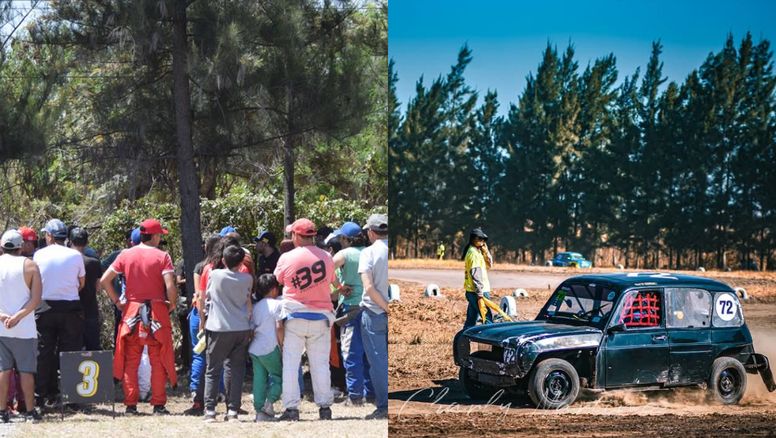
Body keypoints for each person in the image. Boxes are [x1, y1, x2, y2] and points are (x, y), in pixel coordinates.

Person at [100, 218, 178, 415]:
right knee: (158, 359)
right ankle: (159, 404)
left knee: (130, 360)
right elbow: (169, 285)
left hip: (132, 313)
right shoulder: (163, 256)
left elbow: (104, 280)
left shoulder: (126, 255)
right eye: (160, 234)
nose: (160, 238)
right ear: (153, 236)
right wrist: (172, 304)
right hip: (157, 313)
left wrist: (118, 302)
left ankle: (130, 404)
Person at [274, 218, 338, 421]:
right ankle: (325, 408)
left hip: (295, 316)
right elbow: (331, 281)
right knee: (320, 364)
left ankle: (292, 409)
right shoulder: (327, 257)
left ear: (296, 235)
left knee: (291, 364)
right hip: (321, 318)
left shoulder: (286, 257)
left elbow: (279, 280)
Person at [33, 219, 86, 409]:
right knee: (70, 353)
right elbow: (81, 283)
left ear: (49, 236)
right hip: (70, 307)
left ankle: (41, 396)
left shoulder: (38, 254)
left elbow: (35, 281)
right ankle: (72, 398)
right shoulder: (75, 255)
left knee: (44, 353)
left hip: (45, 307)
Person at [202, 245, 253, 422]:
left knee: (213, 369)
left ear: (223, 260)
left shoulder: (215, 275)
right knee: (236, 369)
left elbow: (207, 295)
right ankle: (233, 410)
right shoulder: (247, 278)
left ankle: (209, 410)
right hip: (240, 328)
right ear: (241, 263)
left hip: (218, 328)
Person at [0, 230, 43, 423]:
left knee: (3, 370)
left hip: (1, 327)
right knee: (26, 370)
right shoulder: (31, 266)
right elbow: (36, 300)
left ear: (2, 246)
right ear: (21, 246)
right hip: (24, 328)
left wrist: (3, 317)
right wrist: (18, 316)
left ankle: (2, 411)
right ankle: (30, 411)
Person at [332, 222, 373, 406]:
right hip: (370, 307)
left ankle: (355, 396)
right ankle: (371, 393)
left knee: (351, 353)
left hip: (351, 309)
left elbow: (326, 268)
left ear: (345, 239)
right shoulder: (369, 251)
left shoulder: (344, 254)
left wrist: (339, 288)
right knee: (368, 354)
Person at [184, 234, 221, 416]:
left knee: (198, 354)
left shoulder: (201, 267)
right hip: (218, 315)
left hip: (200, 314)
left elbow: (199, 294)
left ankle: (195, 390)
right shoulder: (223, 266)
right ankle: (220, 393)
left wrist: (201, 320)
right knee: (219, 357)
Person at [358, 213, 389, 420]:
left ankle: (385, 406)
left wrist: (386, 307)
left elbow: (368, 287)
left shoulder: (368, 253)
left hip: (375, 312)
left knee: (378, 362)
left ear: (371, 232)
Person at [249, 274, 283, 422]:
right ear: (274, 289)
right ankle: (270, 402)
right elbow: (279, 327)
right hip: (270, 347)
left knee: (259, 380)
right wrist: (282, 345)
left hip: (254, 349)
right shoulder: (277, 305)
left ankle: (259, 411)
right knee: (279, 378)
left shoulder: (255, 307)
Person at [68, 228, 103, 351]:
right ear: (86, 242)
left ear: (70, 241)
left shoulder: (66, 262)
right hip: (90, 310)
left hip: (70, 311)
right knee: (93, 347)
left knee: (72, 348)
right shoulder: (94, 262)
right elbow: (98, 287)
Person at [461, 227, 493, 329]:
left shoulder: (477, 251)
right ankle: (491, 342)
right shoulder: (473, 253)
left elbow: (489, 265)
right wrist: (479, 294)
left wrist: (486, 252)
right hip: (478, 292)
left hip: (472, 291)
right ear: (473, 239)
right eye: (480, 239)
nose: (482, 241)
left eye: (484, 240)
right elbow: (476, 274)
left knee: (471, 320)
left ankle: (463, 341)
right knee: (487, 319)